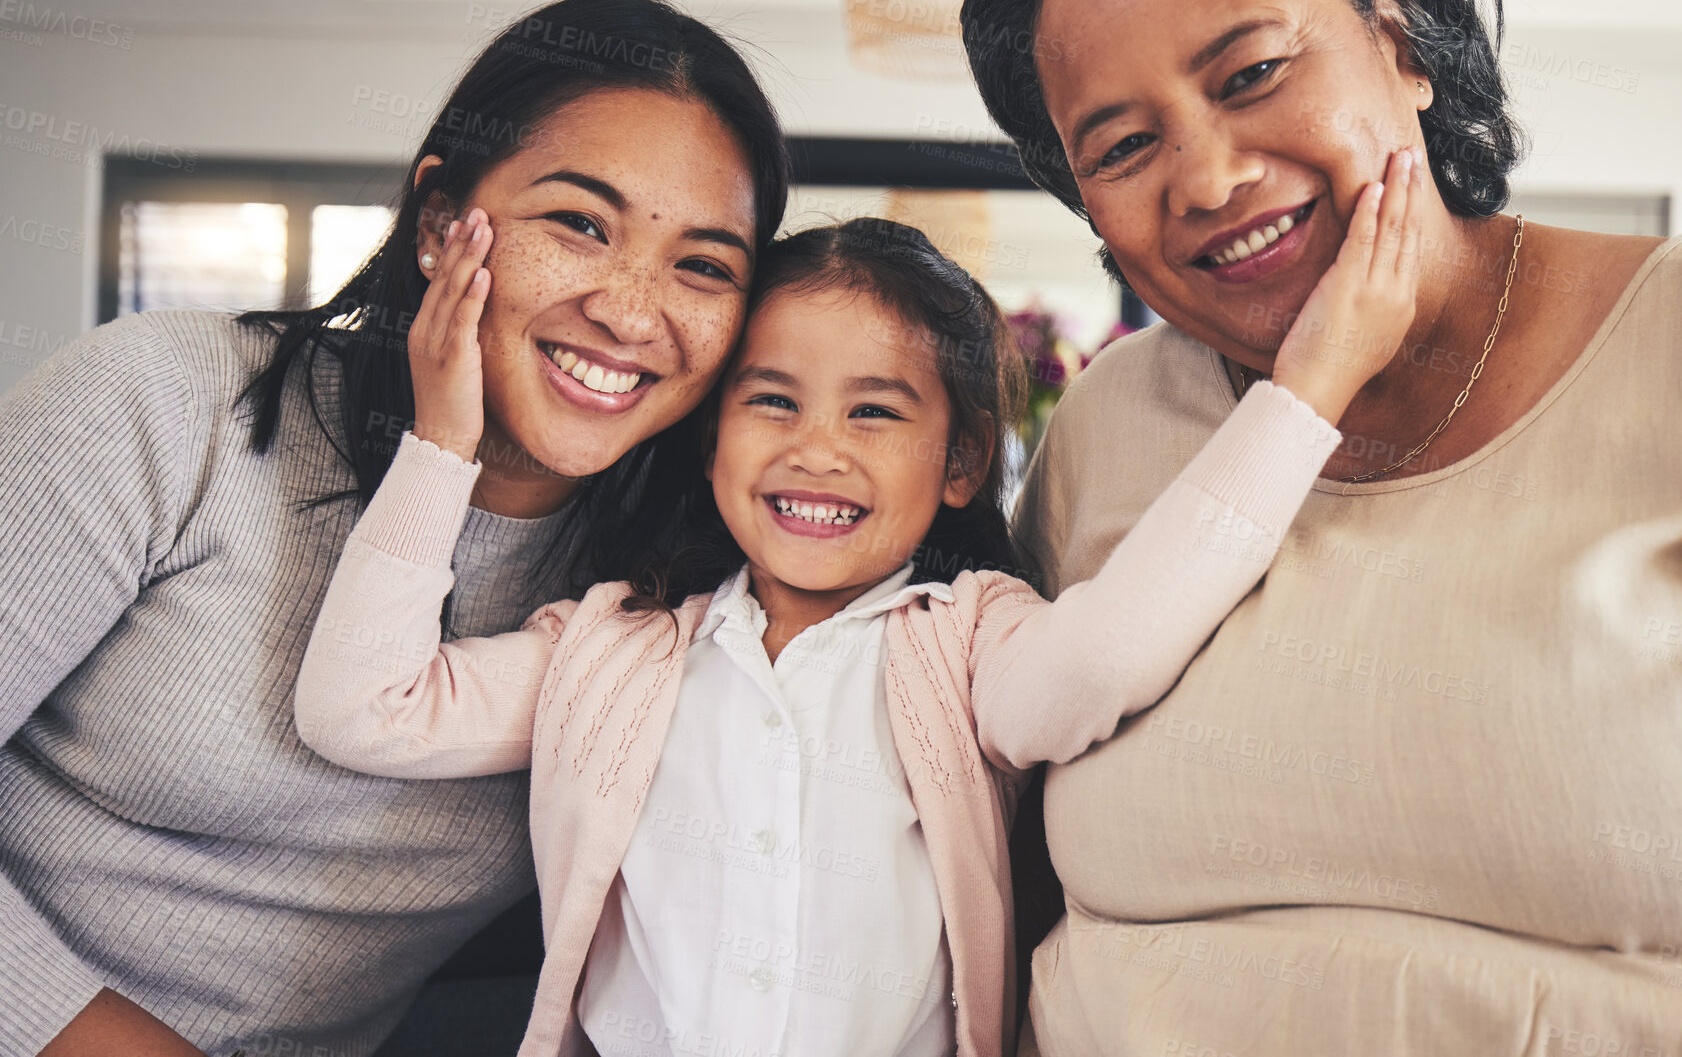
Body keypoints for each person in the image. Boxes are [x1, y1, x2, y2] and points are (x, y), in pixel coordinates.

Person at [292, 199, 1415, 1057]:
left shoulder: (966, 639)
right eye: (770, 400)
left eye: (874, 410)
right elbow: (360, 710)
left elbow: (1106, 657)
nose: (814, 448)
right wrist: (442, 441)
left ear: (962, 461)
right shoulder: (606, 647)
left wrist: (1307, 391)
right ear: (712, 439)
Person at [961, 0, 1682, 1052]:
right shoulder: (1105, 423)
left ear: (1398, 35)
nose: (1204, 182)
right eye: (1123, 144)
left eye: (1249, 75)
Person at [0, 0, 789, 1057]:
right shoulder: (166, 404)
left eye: (702, 266)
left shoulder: (671, 587)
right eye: (578, 224)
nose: (631, 312)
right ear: (437, 223)